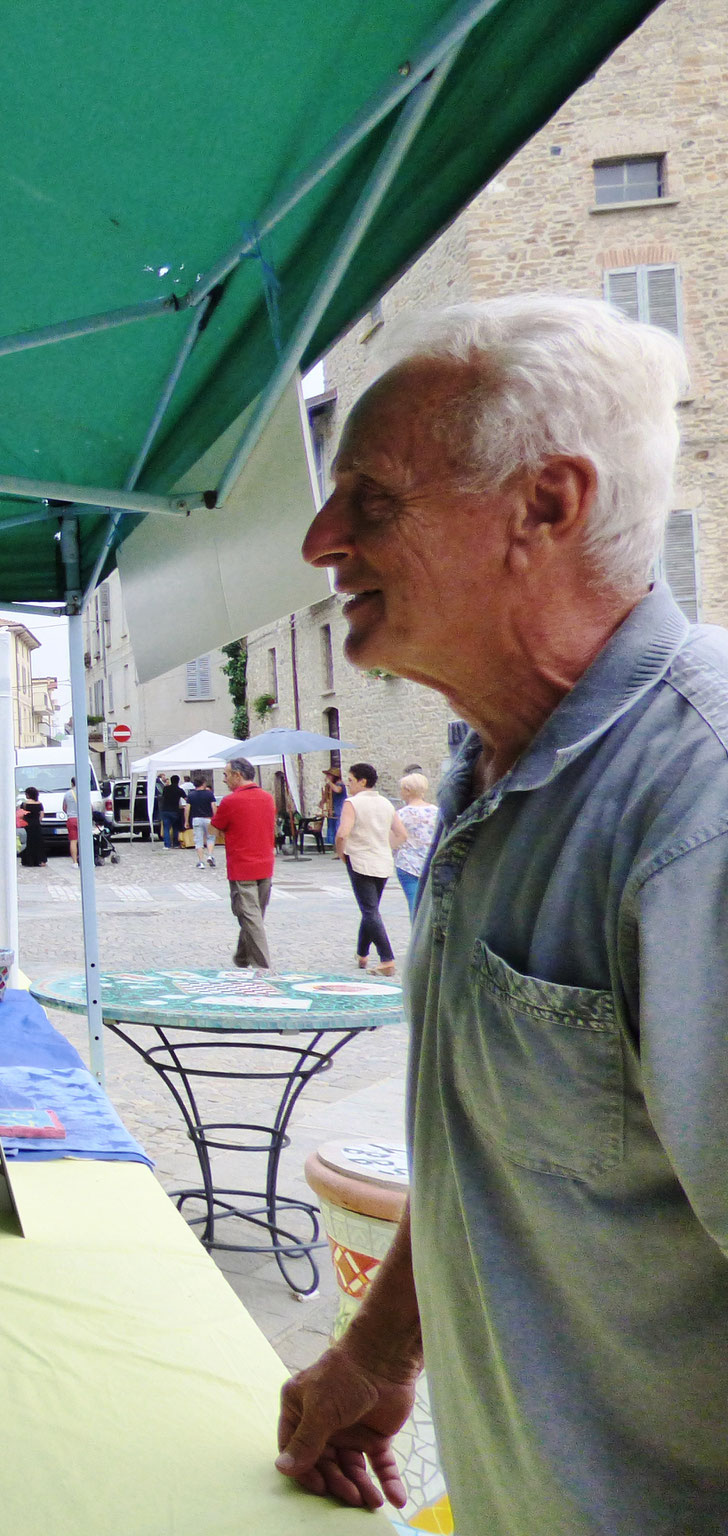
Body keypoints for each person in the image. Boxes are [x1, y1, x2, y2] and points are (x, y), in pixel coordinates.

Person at [275, 295, 728, 1533]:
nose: (320, 539)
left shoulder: (700, 813)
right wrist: (377, 1350)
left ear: (545, 506)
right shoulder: (490, 773)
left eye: (370, 499)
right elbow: (505, 1140)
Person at [209, 758, 277, 968]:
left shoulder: (231, 801)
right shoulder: (268, 798)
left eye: (226, 774)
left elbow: (213, 830)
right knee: (254, 915)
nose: (225, 779)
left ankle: (262, 965)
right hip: (265, 864)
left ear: (237, 775)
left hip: (242, 866)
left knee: (250, 916)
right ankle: (241, 956)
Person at [333, 762, 397, 975]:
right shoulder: (386, 803)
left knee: (369, 909)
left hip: (360, 859)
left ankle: (387, 958)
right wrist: (385, 846)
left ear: (362, 781)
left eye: (351, 780)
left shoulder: (353, 803)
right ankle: (362, 953)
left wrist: (342, 852)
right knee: (371, 908)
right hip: (382, 859)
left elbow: (343, 833)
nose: (348, 784)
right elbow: (402, 833)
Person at [391, 772, 438, 914]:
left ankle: (416, 934)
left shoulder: (401, 814)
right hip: (431, 861)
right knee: (430, 907)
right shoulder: (437, 812)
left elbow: (394, 838)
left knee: (414, 905)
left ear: (407, 791)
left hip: (408, 863)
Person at [185, 773, 218, 870]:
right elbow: (214, 807)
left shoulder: (191, 795)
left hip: (196, 819)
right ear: (203, 784)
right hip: (208, 819)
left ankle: (201, 861)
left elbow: (187, 809)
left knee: (198, 840)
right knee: (210, 838)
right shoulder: (209, 794)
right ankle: (210, 855)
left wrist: (186, 821)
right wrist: (215, 818)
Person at [18, 786, 50, 867]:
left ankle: (29, 861)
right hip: (36, 825)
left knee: (29, 843)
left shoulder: (24, 804)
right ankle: (40, 860)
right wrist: (37, 821)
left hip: (27, 825)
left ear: (28, 795)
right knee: (38, 843)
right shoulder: (39, 804)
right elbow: (41, 815)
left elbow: (21, 815)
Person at [157, 774, 186, 850]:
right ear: (178, 781)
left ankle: (167, 845)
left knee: (166, 828)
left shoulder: (166, 789)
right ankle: (176, 844)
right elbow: (186, 799)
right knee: (175, 828)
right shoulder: (180, 790)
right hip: (175, 811)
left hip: (165, 810)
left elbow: (163, 797)